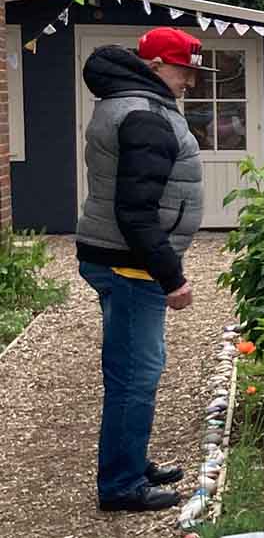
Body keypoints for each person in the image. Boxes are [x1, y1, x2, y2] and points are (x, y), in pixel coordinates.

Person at [76, 27, 212, 512]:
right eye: (184, 71)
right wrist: (172, 276)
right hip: (131, 267)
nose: (190, 83)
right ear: (155, 67)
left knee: (130, 371)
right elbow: (135, 211)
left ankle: (129, 460)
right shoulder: (144, 114)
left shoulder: (128, 103)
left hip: (119, 259)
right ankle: (121, 484)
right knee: (135, 375)